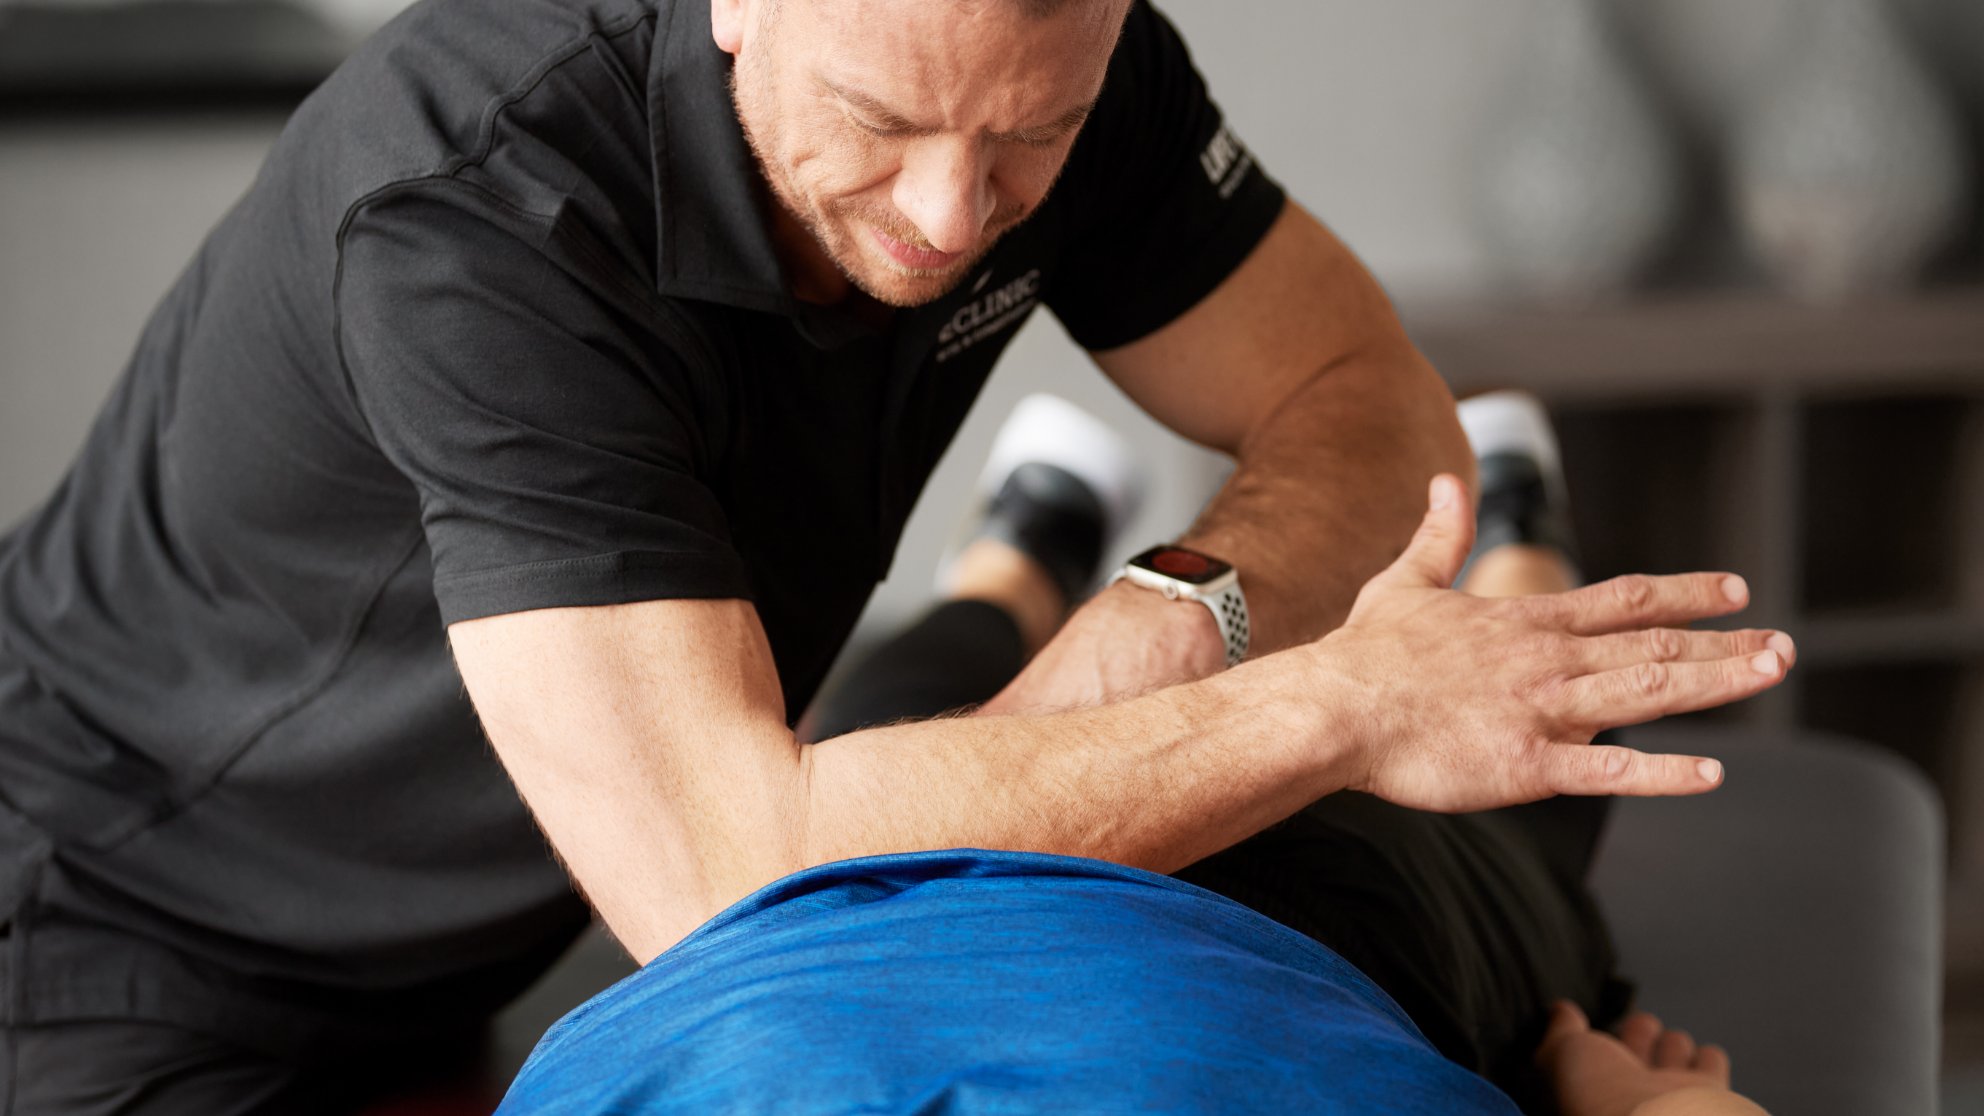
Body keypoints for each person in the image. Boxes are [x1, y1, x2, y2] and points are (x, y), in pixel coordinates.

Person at [0, 0, 1790, 1109]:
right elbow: (732, 876)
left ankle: (1054, 540)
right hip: (116, 928)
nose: (951, 214)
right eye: (878, 124)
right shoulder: (478, 213)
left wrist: (1174, 618)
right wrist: (1328, 709)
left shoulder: (1051, 74)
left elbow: (1367, 399)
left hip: (472, 932)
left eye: (1031, 136)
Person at [494, 393, 1776, 1116]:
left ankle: (1022, 553)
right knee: (1509, 800)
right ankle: (1516, 534)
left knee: (901, 745)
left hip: (836, 908)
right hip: (1309, 931)